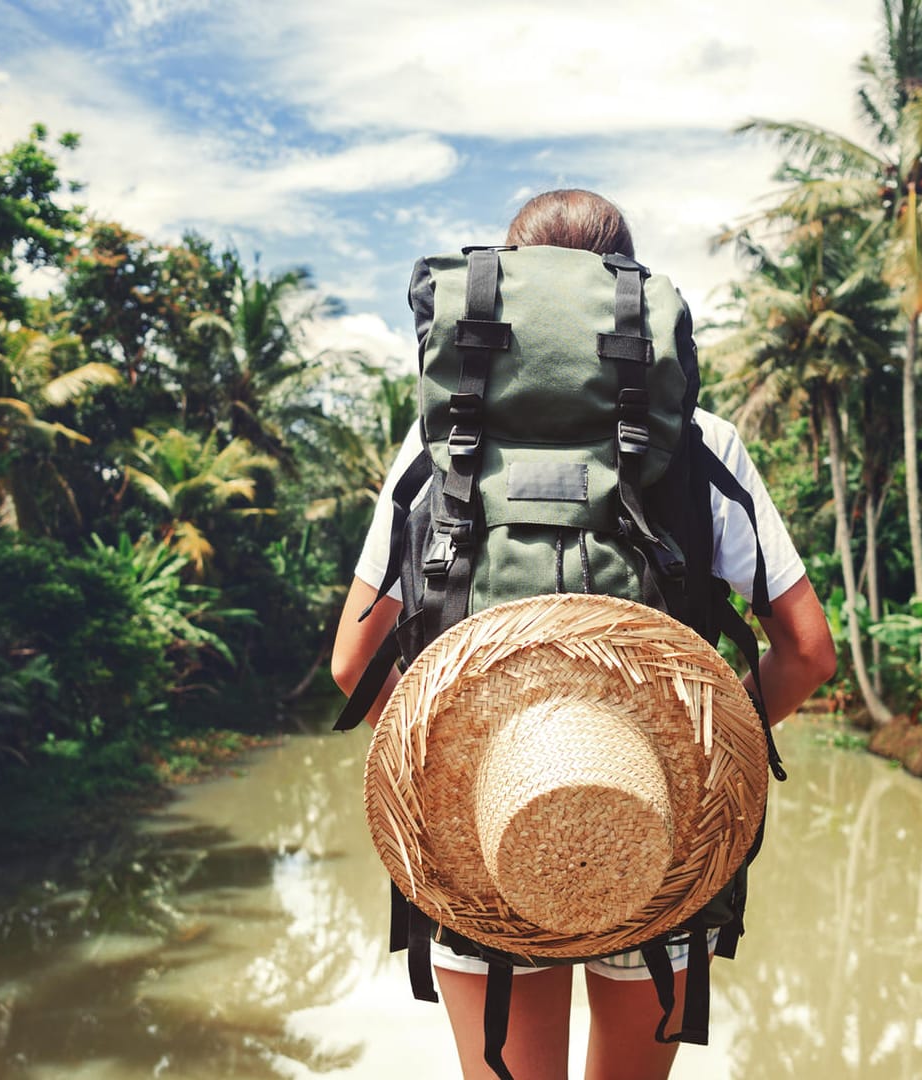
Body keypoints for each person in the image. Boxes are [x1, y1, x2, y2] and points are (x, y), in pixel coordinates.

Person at [331, 189, 837, 1080]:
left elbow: (352, 665)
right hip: (660, 826)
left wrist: (452, 774)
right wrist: (704, 752)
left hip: (483, 832)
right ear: (628, 302)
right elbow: (807, 650)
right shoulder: (699, 440)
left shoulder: (437, 450)